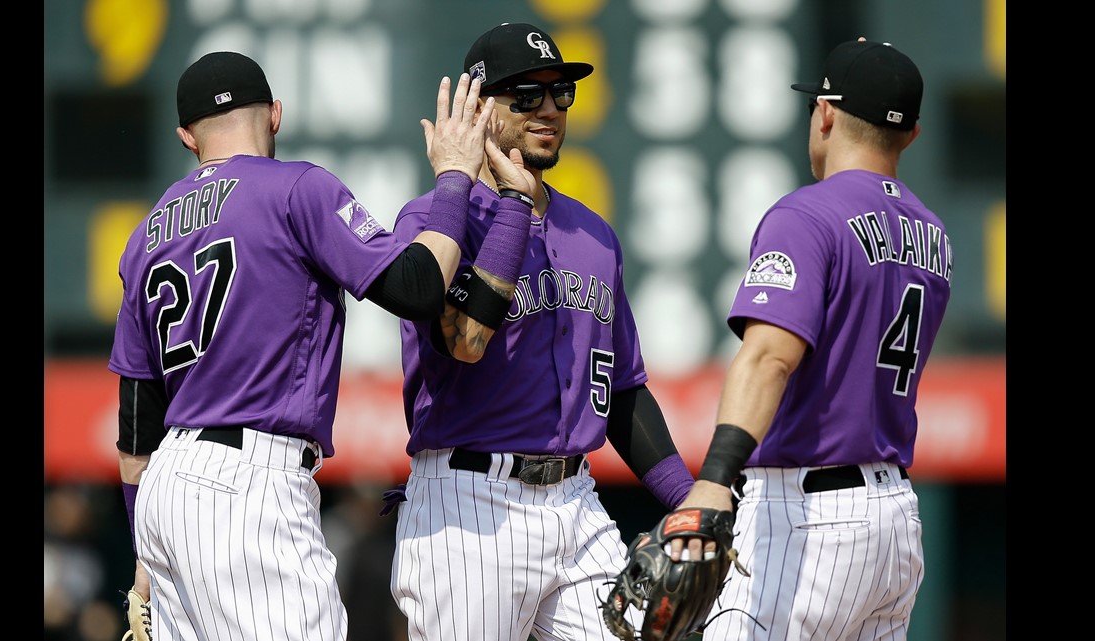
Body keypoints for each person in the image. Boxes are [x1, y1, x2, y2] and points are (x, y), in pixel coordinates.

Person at [109, 50, 533, 640]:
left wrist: (143, 564)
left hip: (166, 490)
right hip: (248, 484)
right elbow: (415, 289)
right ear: (275, 115)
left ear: (186, 136)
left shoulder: (144, 233)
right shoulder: (297, 188)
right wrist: (455, 177)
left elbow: (135, 433)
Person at [381, 23, 697, 641]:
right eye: (526, 95)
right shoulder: (437, 221)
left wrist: (688, 502)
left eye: (561, 94)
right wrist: (514, 208)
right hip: (470, 506)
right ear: (477, 109)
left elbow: (624, 389)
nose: (549, 109)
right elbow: (465, 342)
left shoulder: (594, 234)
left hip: (577, 501)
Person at [662, 38, 953, 640]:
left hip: (811, 516)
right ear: (912, 135)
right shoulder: (934, 232)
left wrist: (715, 478)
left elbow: (769, 356)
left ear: (824, 113)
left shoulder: (807, 215)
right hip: (894, 517)